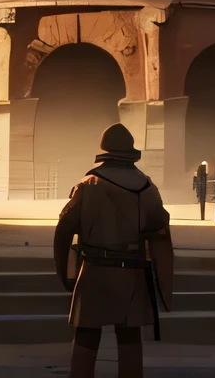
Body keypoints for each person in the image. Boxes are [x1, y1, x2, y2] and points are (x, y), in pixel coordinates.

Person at [53, 123, 173, 378]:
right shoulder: (147, 187)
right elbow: (160, 226)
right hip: (132, 272)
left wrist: (63, 271)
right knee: (129, 335)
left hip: (95, 270)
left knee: (86, 333)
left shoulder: (89, 183)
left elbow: (64, 229)